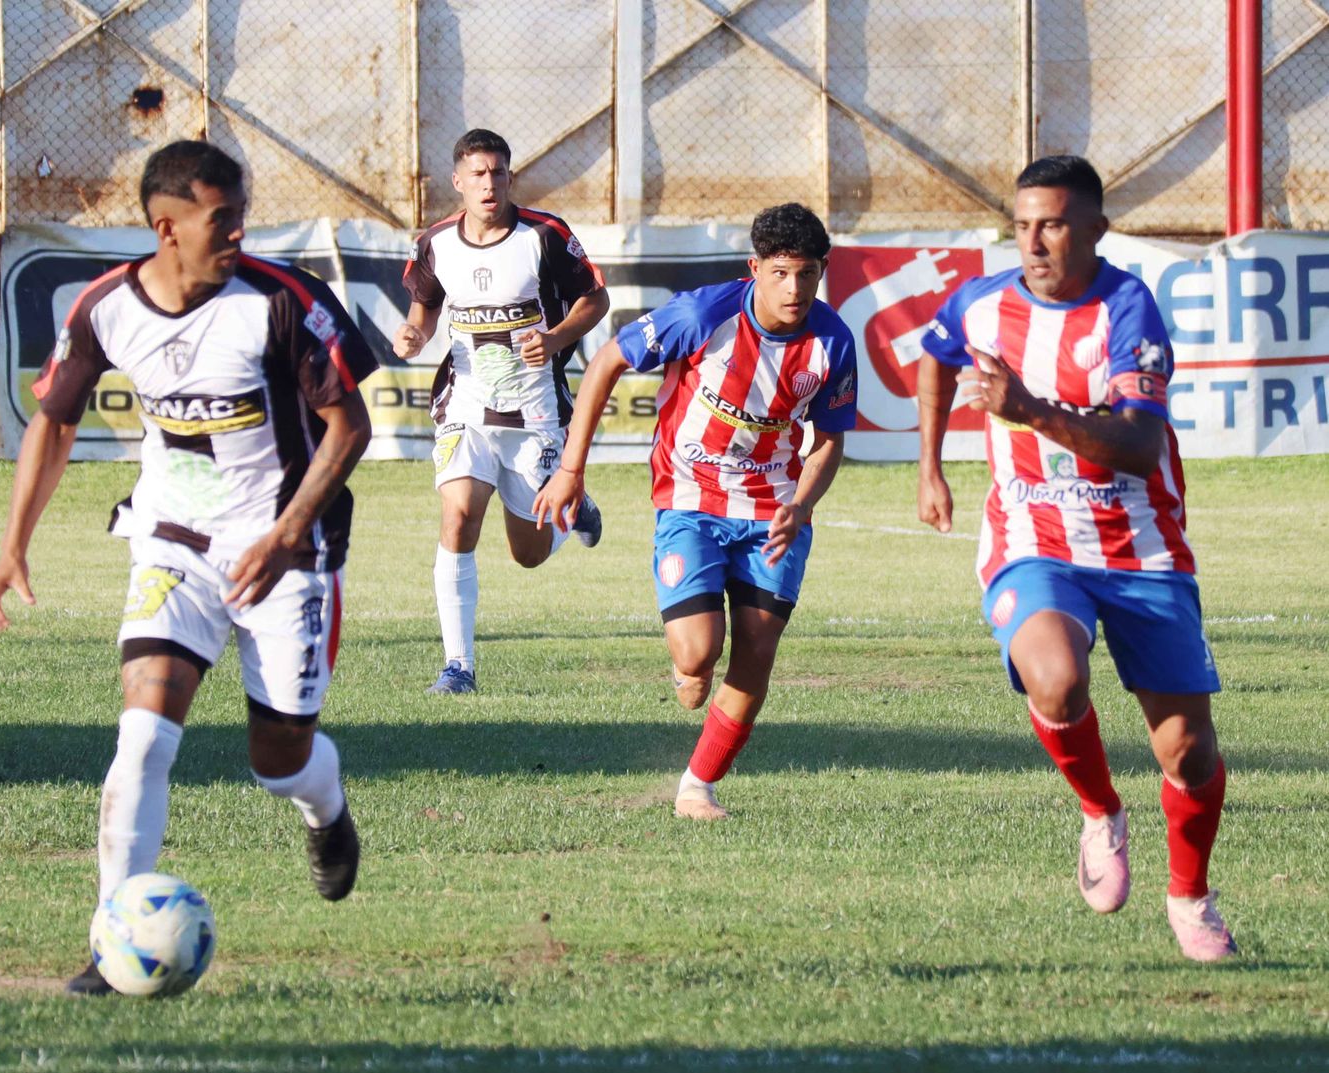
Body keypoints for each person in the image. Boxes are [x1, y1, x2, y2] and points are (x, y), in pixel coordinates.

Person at [0, 140, 378, 994]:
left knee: (278, 760)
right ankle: (110, 938)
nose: (238, 230)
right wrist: (14, 543)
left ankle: (325, 806)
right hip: (171, 542)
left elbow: (350, 429)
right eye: (220, 218)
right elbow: (52, 421)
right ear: (167, 227)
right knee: (143, 735)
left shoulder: (283, 303)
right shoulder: (106, 308)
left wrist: (285, 533)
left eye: (240, 213)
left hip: (286, 554)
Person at [916, 155, 1235, 962]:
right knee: (1056, 677)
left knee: (1188, 751)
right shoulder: (983, 304)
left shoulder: (1128, 310)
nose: (1033, 241)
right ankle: (1101, 811)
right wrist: (930, 469)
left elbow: (1137, 444)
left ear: (1095, 228)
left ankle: (1190, 896)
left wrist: (1029, 409)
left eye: (1053, 223)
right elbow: (935, 352)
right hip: (1032, 539)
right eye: (1022, 225)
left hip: (1142, 548)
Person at [536, 203, 857, 820]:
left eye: (808, 274)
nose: (795, 289)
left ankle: (696, 787)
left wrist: (803, 503)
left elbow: (829, 440)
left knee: (757, 652)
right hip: (691, 496)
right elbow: (606, 362)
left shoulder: (832, 342)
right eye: (782, 273)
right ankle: (692, 664)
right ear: (755, 268)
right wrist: (572, 469)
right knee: (695, 656)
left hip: (774, 510)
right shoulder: (702, 315)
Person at [393, 129, 610, 694]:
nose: (489, 184)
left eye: (499, 173)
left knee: (529, 554)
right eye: (478, 174)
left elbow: (596, 299)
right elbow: (424, 308)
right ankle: (458, 666)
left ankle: (574, 511)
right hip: (465, 403)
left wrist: (558, 337)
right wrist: (414, 334)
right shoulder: (436, 241)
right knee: (459, 515)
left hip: (534, 411)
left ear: (509, 178)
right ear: (459, 182)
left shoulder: (545, 235)